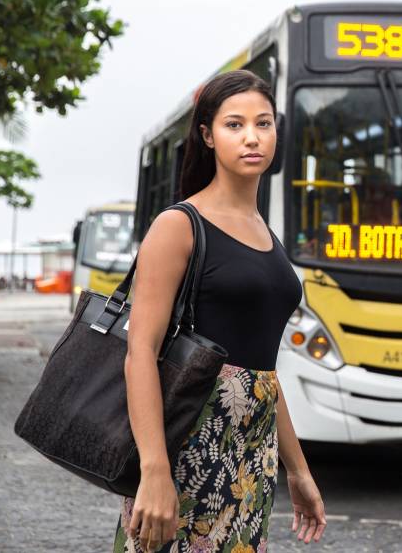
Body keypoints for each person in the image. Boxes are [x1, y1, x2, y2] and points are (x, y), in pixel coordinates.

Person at [113, 70, 327, 551]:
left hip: (252, 455)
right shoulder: (179, 225)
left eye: (263, 123)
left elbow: (262, 373)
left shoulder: (265, 233)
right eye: (235, 124)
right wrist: (154, 471)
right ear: (207, 135)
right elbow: (140, 352)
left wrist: (298, 470)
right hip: (190, 444)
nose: (252, 137)